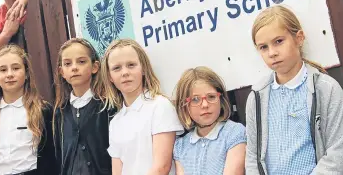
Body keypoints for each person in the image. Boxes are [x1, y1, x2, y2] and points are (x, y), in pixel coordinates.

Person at [245, 5, 343, 174]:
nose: (272, 53)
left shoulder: (326, 89)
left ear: (299, 38)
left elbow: (339, 155)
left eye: (278, 41)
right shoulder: (256, 98)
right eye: (263, 47)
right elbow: (252, 157)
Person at [100, 38, 183, 175]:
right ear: (109, 76)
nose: (125, 72)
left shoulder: (160, 106)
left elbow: (162, 167)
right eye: (117, 68)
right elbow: (117, 171)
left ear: (143, 68)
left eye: (131, 65)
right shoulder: (116, 122)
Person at [0, 45, 57, 175]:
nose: (9, 74)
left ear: (26, 73)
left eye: (16, 68)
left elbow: (52, 155)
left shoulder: (42, 110)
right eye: (3, 70)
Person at [52, 38, 112, 175]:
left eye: (81, 61)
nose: (74, 67)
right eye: (67, 64)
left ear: (95, 67)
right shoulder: (59, 113)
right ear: (62, 72)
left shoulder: (107, 107)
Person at [173, 66, 246, 175]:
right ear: (184, 106)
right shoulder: (180, 146)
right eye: (195, 99)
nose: (205, 105)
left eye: (211, 97)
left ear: (221, 99)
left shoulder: (235, 133)